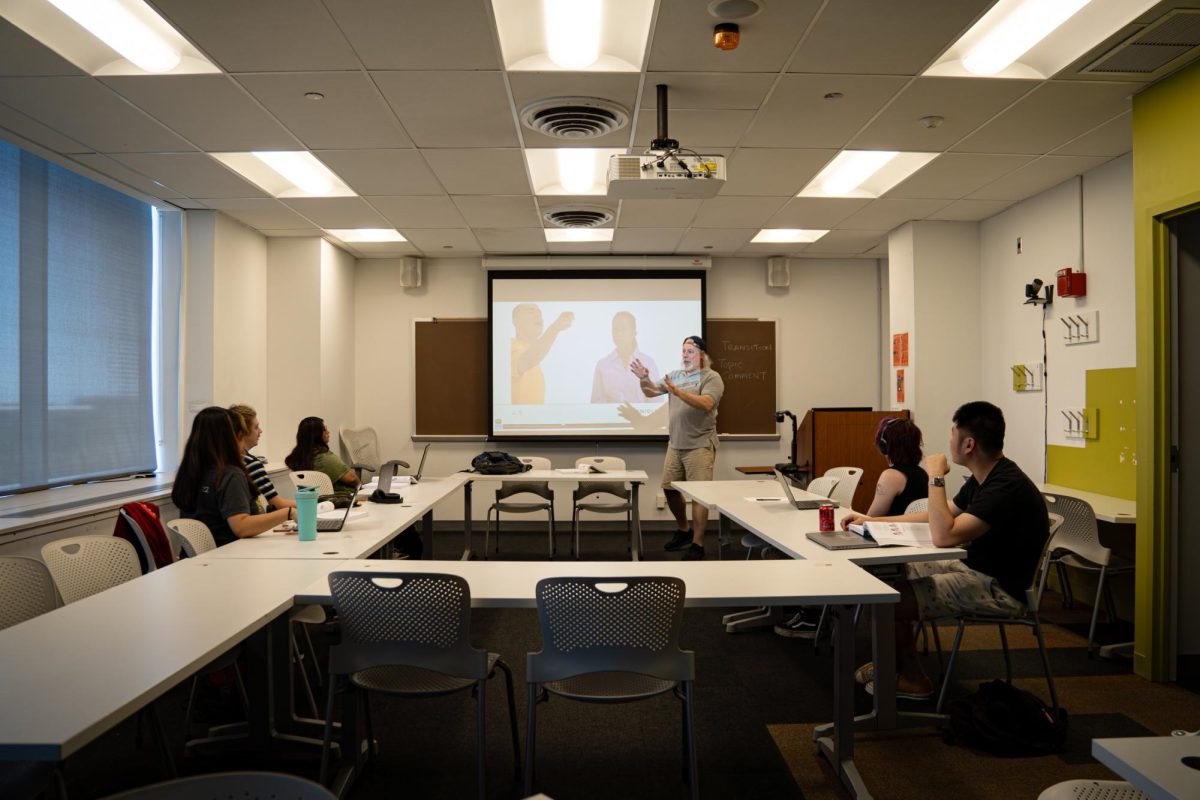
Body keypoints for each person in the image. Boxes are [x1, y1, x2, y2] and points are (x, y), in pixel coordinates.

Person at [841, 401, 1050, 699]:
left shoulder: (1005, 486)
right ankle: (892, 662)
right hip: (973, 568)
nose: (948, 441)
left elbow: (943, 535)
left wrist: (935, 477)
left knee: (887, 601)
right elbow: (938, 514)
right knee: (886, 579)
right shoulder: (986, 478)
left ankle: (913, 677)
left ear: (968, 444)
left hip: (998, 588)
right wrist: (873, 520)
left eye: (953, 434)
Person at [776, 416, 929, 638]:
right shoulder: (921, 474)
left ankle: (811, 616)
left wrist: (857, 518)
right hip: (907, 543)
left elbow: (873, 517)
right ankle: (811, 608)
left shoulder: (891, 476)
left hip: (888, 548)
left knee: (820, 553)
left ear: (884, 446)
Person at [632, 335, 724, 560]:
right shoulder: (674, 376)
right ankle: (684, 530)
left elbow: (706, 404)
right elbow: (650, 392)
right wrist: (644, 379)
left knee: (699, 495)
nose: (685, 355)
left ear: (701, 354)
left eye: (690, 351)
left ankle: (698, 545)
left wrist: (677, 392)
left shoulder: (711, 377)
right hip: (675, 444)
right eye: (683, 350)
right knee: (669, 489)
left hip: (700, 444)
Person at [172, 406, 294, 547]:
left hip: (202, 559)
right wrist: (288, 513)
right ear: (230, 437)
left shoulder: (190, 472)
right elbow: (242, 527)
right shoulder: (229, 474)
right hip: (231, 553)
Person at [228, 403, 295, 513]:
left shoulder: (223, 460)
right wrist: (316, 502)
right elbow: (279, 504)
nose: (260, 431)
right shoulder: (251, 464)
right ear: (243, 432)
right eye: (256, 427)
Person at [591, 311, 664, 404]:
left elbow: (657, 402)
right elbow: (596, 404)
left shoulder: (648, 363)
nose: (619, 333)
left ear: (634, 332)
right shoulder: (603, 365)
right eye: (615, 329)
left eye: (623, 328)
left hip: (642, 418)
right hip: (612, 418)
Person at [284, 416, 359, 501]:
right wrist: (361, 485)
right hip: (342, 500)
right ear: (316, 434)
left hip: (315, 502)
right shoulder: (325, 459)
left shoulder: (298, 458)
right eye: (324, 429)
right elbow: (352, 479)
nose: (328, 432)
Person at [511, 303, 573, 404]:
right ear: (515, 320)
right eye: (531, 311)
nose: (538, 315)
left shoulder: (534, 356)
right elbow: (527, 360)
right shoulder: (507, 346)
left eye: (539, 313)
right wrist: (554, 328)